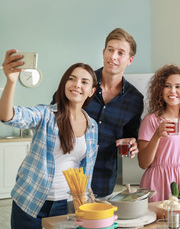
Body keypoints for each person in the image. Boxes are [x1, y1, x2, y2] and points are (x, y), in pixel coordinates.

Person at [1, 49, 98, 229]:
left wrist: (88, 199)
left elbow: (87, 170)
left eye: (84, 82)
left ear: (91, 91)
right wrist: (11, 81)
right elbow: (9, 116)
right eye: (72, 78)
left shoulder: (92, 126)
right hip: (31, 201)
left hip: (68, 204)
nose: (77, 84)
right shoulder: (45, 114)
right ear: (63, 84)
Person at [51, 28, 144, 197]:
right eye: (110, 50)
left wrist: (132, 144)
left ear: (130, 59)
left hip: (102, 177)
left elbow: (132, 135)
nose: (113, 56)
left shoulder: (135, 99)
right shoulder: (80, 82)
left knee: (97, 223)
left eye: (120, 53)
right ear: (103, 52)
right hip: (64, 172)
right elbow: (54, 114)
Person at [137, 64, 180, 202]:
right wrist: (157, 135)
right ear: (160, 90)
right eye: (167, 86)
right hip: (157, 184)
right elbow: (143, 163)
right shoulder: (151, 120)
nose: (172, 90)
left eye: (178, 86)